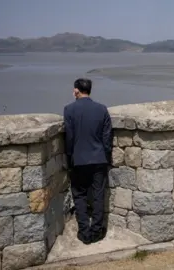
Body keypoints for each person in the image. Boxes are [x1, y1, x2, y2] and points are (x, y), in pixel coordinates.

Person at [63, 78, 113, 245]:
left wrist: (69, 158)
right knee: (98, 196)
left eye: (74, 89)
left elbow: (69, 138)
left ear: (77, 91)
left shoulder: (69, 110)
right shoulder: (102, 109)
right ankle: (97, 231)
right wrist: (106, 157)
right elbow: (107, 139)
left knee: (80, 195)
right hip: (99, 159)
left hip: (78, 160)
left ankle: (84, 232)